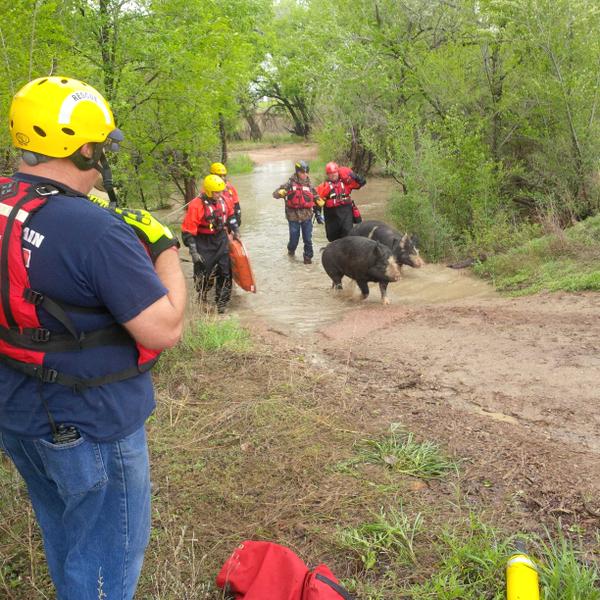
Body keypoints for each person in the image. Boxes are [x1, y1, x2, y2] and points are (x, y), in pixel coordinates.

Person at [0, 76, 186, 599]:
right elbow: (164, 327)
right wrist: (163, 246)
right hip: (91, 424)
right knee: (106, 558)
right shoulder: (97, 231)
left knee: (65, 527)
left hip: (17, 411)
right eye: (100, 143)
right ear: (84, 148)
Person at [182, 174, 240, 312]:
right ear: (208, 191)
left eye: (221, 191)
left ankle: (222, 303)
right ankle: (202, 297)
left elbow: (231, 216)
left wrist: (236, 230)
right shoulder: (196, 205)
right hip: (203, 241)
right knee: (203, 272)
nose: (220, 194)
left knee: (225, 271)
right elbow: (188, 231)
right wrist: (194, 252)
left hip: (221, 238)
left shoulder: (224, 200)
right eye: (217, 192)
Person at [272, 160, 323, 264]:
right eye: (302, 172)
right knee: (294, 240)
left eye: (306, 172)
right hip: (293, 217)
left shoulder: (310, 185)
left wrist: (318, 200)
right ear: (297, 172)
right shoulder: (289, 184)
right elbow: (275, 194)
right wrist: (280, 193)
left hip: (307, 216)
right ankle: (291, 251)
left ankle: (308, 259)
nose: (305, 174)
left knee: (308, 239)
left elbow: (315, 196)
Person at [316, 161, 366, 242]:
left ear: (338, 172)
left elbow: (362, 183)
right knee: (333, 238)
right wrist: (317, 213)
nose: (333, 175)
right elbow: (317, 200)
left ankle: (348, 252)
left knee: (348, 235)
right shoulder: (324, 186)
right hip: (331, 214)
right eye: (330, 173)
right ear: (327, 175)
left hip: (346, 211)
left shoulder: (347, 183)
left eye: (334, 173)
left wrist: (356, 177)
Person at [210, 161, 242, 226]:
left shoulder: (230, 187)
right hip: (217, 222)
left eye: (224, 175)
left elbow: (236, 203)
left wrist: (238, 216)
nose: (222, 178)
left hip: (230, 218)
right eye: (219, 176)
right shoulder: (208, 190)